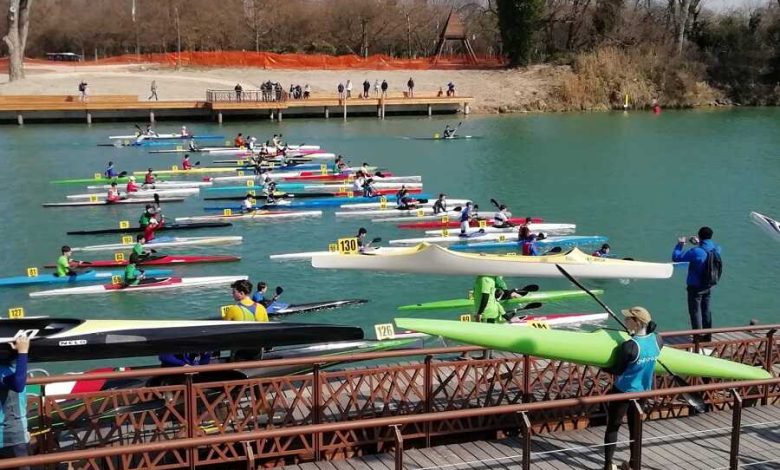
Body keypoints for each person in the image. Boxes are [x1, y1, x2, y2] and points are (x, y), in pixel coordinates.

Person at [603, 306, 662, 470]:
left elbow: (617, 370)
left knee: (613, 426)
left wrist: (601, 366)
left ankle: (608, 465)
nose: (625, 320)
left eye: (628, 318)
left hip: (623, 392)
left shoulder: (629, 346)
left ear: (636, 322)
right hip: (643, 392)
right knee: (635, 428)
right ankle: (634, 463)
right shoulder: (658, 340)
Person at [672, 227, 722, 342]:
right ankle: (707, 337)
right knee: (706, 311)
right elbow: (715, 247)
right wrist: (700, 243)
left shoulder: (695, 251)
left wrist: (680, 244)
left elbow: (676, 258)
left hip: (695, 287)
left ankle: (697, 339)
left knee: (695, 312)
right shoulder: (716, 250)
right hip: (708, 285)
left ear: (699, 236)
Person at [0, 333, 31, 463]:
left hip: (14, 433)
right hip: (11, 435)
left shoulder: (8, 369)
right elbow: (18, 384)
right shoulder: (4, 371)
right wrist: (23, 352)